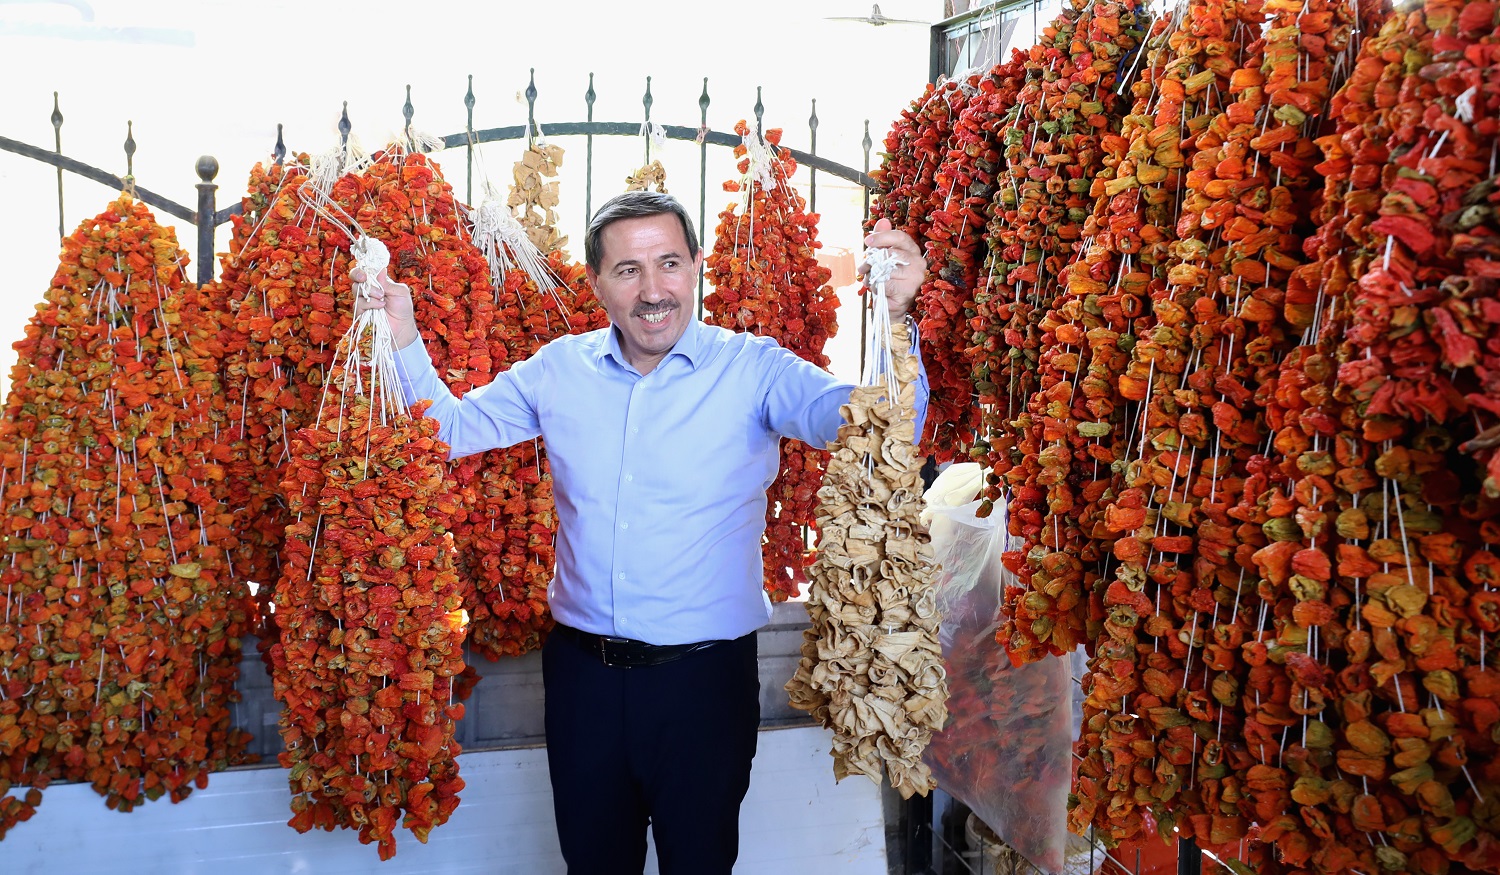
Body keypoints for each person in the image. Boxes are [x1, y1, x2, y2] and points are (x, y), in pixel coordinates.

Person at [356, 190, 928, 875]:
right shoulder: (559, 368)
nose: (653, 289)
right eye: (628, 270)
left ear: (695, 267)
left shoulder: (754, 368)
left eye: (669, 263)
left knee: (699, 862)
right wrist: (404, 336)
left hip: (703, 683)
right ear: (595, 280)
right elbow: (446, 431)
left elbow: (880, 432)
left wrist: (894, 315)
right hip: (582, 680)